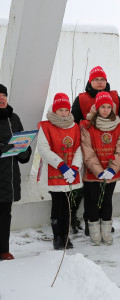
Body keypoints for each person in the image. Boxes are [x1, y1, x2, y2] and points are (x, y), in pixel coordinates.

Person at [71, 66, 120, 235]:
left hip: (110, 152)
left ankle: (105, 222)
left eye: (102, 79)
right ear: (90, 81)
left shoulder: (115, 97)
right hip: (90, 152)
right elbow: (74, 123)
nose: (100, 82)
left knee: (107, 193)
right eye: (96, 79)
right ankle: (90, 222)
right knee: (90, 193)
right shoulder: (81, 99)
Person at [37, 93, 83, 250]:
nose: (64, 113)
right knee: (58, 204)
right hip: (55, 172)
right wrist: (62, 166)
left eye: (66, 110)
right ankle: (58, 237)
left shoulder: (75, 126)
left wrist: (75, 168)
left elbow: (78, 148)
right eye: (60, 110)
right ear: (54, 110)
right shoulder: (46, 126)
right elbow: (44, 149)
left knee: (68, 205)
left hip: (71, 173)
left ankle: (66, 235)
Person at [80, 91, 120, 246]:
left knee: (106, 200)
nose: (105, 110)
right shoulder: (87, 126)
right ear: (96, 108)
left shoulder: (119, 126)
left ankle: (106, 229)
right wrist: (99, 171)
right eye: (102, 107)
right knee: (93, 200)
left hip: (111, 171)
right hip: (94, 172)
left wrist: (112, 169)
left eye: (108, 107)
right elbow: (87, 150)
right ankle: (93, 229)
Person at [0, 84, 32, 260]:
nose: (1, 98)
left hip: (10, 175)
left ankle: (3, 249)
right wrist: (8, 148)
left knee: (5, 214)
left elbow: (23, 140)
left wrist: (24, 151)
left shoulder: (14, 118)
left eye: (3, 95)